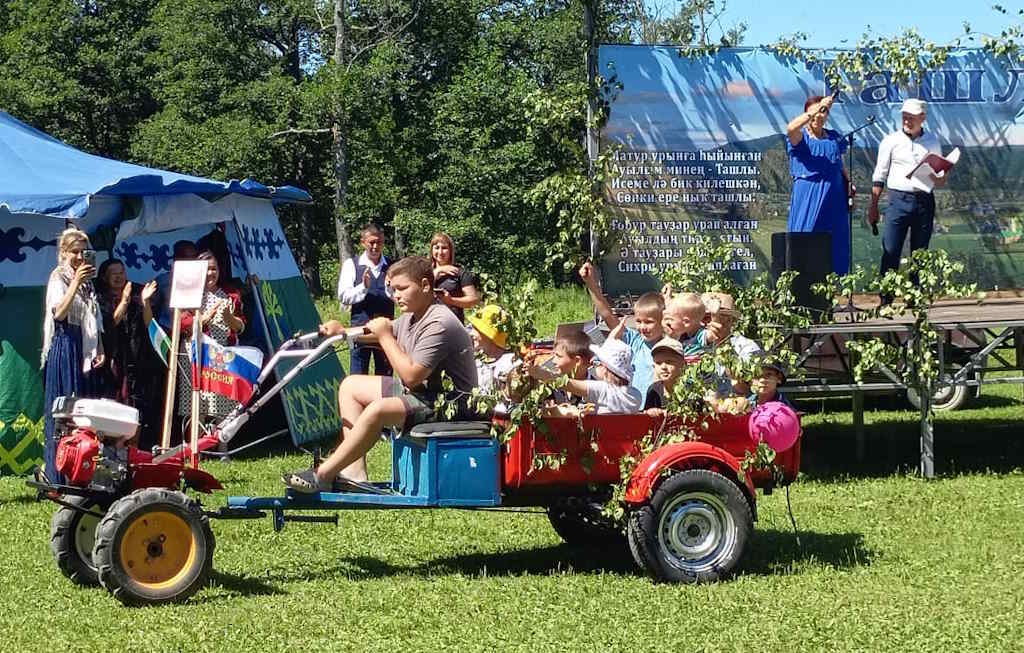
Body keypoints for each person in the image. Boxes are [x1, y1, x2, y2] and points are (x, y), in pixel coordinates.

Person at [283, 256, 478, 492]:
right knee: (351, 386)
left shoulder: (440, 322)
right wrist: (343, 331)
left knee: (378, 409)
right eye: (393, 289)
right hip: (426, 394)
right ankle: (354, 472)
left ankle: (322, 474)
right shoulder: (413, 316)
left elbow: (411, 376)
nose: (396, 295)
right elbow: (380, 332)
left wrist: (385, 336)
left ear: (426, 286)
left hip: (450, 404)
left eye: (402, 288)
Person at [40, 228, 104, 483]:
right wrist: (76, 281)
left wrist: (99, 348)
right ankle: (58, 475)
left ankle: (79, 470)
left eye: (83, 251)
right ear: (63, 253)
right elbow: (60, 314)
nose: (79, 256)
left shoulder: (88, 282)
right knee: (64, 412)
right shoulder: (59, 277)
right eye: (74, 251)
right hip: (65, 344)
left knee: (82, 411)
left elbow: (92, 318)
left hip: (82, 346)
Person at [868, 98, 946, 286]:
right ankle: (886, 296)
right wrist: (873, 206)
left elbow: (941, 177)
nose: (907, 121)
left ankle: (915, 297)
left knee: (919, 252)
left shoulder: (932, 141)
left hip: (924, 200)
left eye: (911, 117)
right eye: (904, 117)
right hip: (898, 200)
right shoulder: (890, 141)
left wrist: (939, 177)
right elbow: (880, 174)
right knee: (891, 248)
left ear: (922, 118)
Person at [96, 258, 162, 450]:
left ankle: (133, 450)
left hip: (134, 361)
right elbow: (111, 324)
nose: (119, 277)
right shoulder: (100, 298)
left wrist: (145, 302)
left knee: (135, 407)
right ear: (104, 277)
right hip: (110, 363)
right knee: (112, 407)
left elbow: (149, 324)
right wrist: (124, 299)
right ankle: (111, 449)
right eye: (114, 273)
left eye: (122, 272)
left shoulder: (135, 294)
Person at [785, 93, 854, 275]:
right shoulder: (801, 138)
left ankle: (831, 291)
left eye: (824, 112)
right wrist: (819, 107)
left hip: (835, 196)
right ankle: (799, 288)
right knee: (805, 236)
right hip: (809, 194)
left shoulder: (834, 138)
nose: (819, 116)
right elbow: (790, 128)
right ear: (807, 114)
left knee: (835, 242)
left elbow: (839, 164)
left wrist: (848, 183)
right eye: (815, 112)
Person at [178, 250, 246, 420]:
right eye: (206, 269)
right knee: (196, 408)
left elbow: (240, 326)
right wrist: (202, 319)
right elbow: (182, 323)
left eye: (214, 269)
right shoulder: (187, 295)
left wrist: (228, 318)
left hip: (221, 357)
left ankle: (223, 446)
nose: (210, 273)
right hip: (195, 356)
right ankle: (197, 445)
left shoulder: (231, 294)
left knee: (222, 409)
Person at [578, 261, 663, 397]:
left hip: (656, 409)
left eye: (649, 322)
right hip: (633, 408)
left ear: (663, 321)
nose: (642, 327)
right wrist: (591, 284)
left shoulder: (669, 344)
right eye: (638, 321)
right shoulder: (634, 340)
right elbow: (606, 314)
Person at [337, 224, 394, 376]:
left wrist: (390, 288)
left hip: (385, 331)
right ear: (363, 242)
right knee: (358, 374)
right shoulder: (352, 265)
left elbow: (400, 296)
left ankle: (385, 400)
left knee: (385, 376)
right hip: (360, 331)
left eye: (379, 242)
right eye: (371, 242)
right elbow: (343, 296)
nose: (375, 246)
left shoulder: (392, 266)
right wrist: (363, 286)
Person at [529, 336, 641, 414]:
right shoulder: (635, 395)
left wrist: (541, 374)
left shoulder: (602, 389)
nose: (593, 363)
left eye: (598, 362)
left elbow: (567, 383)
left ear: (605, 369)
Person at [702, 292, 761, 399]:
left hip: (736, 408)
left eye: (721, 317)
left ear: (731, 321)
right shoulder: (693, 344)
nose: (710, 322)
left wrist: (724, 348)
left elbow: (743, 389)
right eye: (705, 318)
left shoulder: (746, 346)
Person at [430, 232, 480, 323]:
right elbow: (416, 292)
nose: (440, 252)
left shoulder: (460, 273)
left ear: (450, 250)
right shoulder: (425, 271)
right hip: (428, 323)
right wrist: (437, 271)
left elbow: (473, 300)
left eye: (444, 248)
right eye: (437, 248)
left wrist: (451, 300)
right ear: (432, 250)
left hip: (452, 324)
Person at [467, 304, 517, 393]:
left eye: (477, 330)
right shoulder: (476, 361)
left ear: (490, 336)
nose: (471, 333)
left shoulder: (510, 364)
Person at [154, 240, 198, 330]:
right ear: (176, 259)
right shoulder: (163, 281)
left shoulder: (202, 279)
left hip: (192, 330)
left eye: (195, 257)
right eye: (188, 257)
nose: (192, 261)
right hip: (168, 330)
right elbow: (155, 307)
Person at [643, 337, 688, 417]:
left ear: (683, 364)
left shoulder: (691, 391)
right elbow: (645, 419)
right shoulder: (653, 390)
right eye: (658, 363)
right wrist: (650, 412)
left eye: (669, 362)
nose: (663, 367)